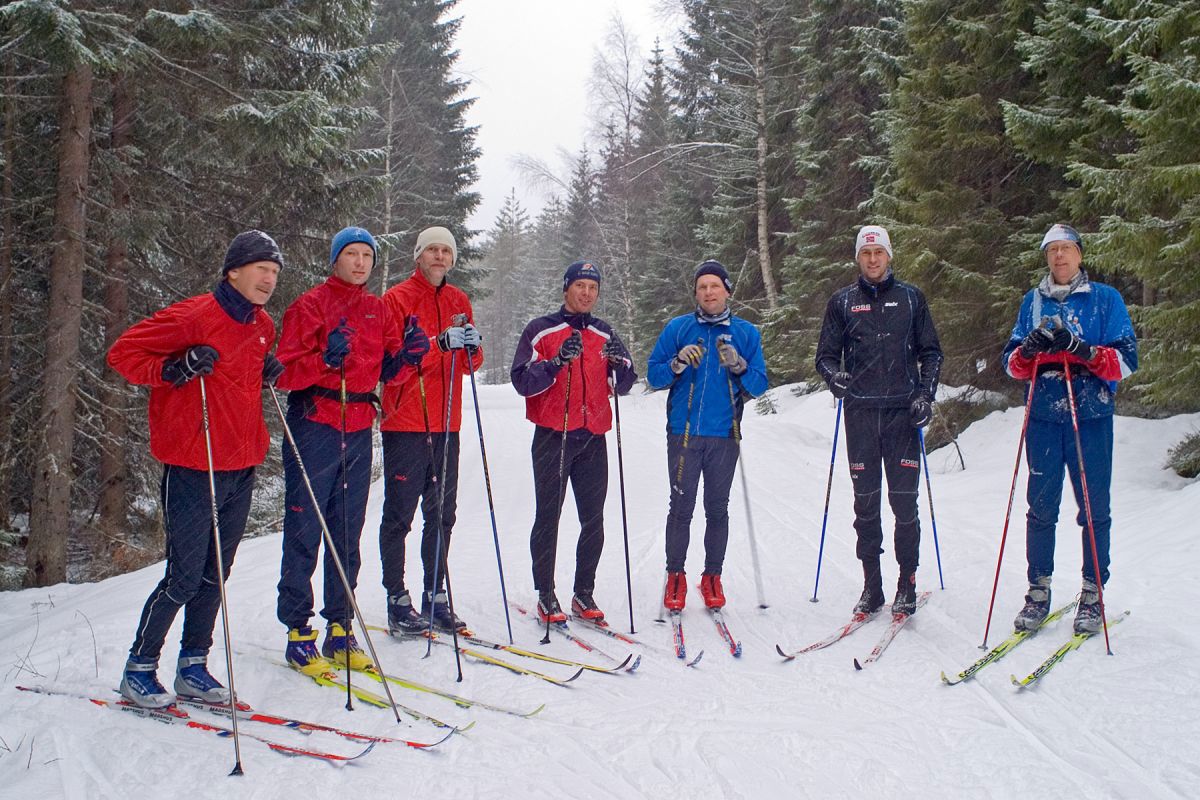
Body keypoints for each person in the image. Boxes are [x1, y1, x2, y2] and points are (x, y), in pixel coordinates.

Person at [107, 230, 283, 707]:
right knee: (183, 576)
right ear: (233, 271)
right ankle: (139, 668)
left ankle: (193, 667)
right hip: (192, 465)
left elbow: (240, 381)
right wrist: (174, 368)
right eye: (261, 269)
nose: (269, 279)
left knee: (215, 574)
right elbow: (123, 354)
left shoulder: (262, 325)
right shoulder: (192, 315)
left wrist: (268, 370)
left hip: (241, 466)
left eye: (274, 272)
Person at [274, 226, 428, 675]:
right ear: (335, 259)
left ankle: (340, 626)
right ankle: (298, 631)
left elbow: (389, 373)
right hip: (315, 422)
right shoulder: (310, 304)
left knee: (347, 530)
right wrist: (324, 359)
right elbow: (282, 373)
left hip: (360, 425)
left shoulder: (377, 310)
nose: (360, 263)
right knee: (306, 527)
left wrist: (408, 357)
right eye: (352, 254)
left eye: (367, 256)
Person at [1002, 223, 1137, 635]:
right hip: (1043, 417)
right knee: (1041, 507)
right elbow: (1011, 364)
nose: (1059, 256)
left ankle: (1093, 593)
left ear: (1079, 254)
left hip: (1090, 417)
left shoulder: (1104, 299)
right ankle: (1037, 591)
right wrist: (1027, 351)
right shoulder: (1033, 302)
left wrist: (1081, 350)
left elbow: (1127, 361)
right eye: (1052, 250)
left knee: (1094, 509)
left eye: (1066, 249)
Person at [815, 225, 943, 617]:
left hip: (902, 416)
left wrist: (924, 395)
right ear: (858, 258)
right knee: (865, 505)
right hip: (860, 414)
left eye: (879, 253)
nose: (873, 259)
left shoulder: (911, 298)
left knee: (905, 505)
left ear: (889, 256)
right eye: (866, 253)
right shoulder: (842, 302)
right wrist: (833, 377)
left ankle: (907, 581)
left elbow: (931, 353)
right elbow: (824, 357)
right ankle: (873, 585)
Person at [510, 261, 636, 623]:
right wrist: (554, 363)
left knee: (593, 519)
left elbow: (625, 382)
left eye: (592, 288)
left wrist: (620, 367)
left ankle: (584, 593)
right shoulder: (541, 330)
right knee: (549, 516)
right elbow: (521, 381)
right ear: (566, 289)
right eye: (580, 286)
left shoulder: (604, 331)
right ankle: (546, 595)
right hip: (553, 435)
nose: (586, 293)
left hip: (593, 436)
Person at [646, 260, 768, 612]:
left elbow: (760, 385)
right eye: (702, 287)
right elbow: (654, 376)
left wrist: (740, 366)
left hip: (724, 434)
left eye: (715, 286)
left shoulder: (746, 333)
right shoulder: (678, 328)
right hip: (683, 433)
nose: (708, 292)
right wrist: (676, 364)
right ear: (696, 293)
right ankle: (675, 576)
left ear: (727, 291)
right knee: (681, 507)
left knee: (717, 509)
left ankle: (712, 576)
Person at [378, 226, 482, 634]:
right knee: (400, 515)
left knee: (442, 515)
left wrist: (472, 347)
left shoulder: (458, 300)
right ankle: (396, 597)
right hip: (406, 422)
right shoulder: (398, 299)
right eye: (432, 250)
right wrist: (438, 345)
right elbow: (390, 367)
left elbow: (472, 364)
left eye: (446, 251)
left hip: (446, 423)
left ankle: (434, 595)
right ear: (419, 256)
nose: (440, 257)